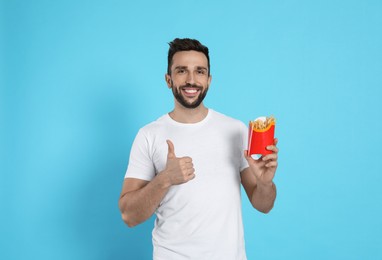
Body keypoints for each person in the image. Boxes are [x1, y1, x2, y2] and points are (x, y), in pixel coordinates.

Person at [118, 38, 278, 260]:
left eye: (200, 72)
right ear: (168, 79)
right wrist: (164, 179)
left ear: (209, 80)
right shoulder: (149, 135)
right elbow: (128, 215)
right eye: (182, 71)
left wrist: (264, 182)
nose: (191, 80)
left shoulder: (236, 130)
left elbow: (264, 205)